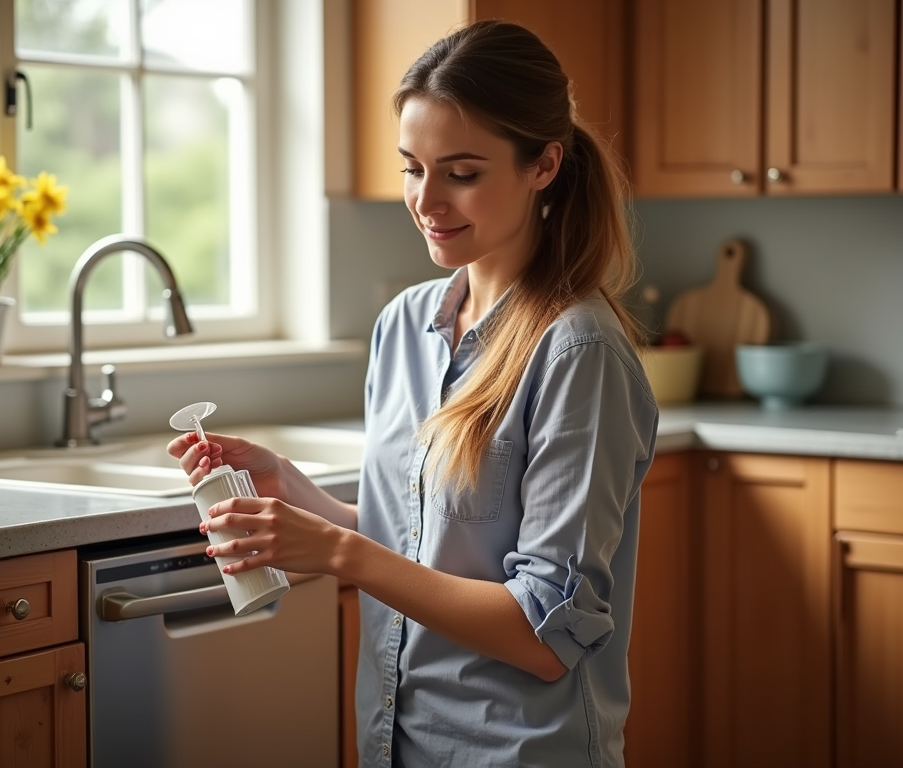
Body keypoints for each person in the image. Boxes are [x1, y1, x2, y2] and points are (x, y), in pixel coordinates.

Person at [168, 19, 658, 768]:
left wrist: (336, 551)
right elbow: (438, 542)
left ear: (544, 166)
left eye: (461, 172)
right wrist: (298, 496)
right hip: (398, 740)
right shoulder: (405, 326)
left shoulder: (579, 351)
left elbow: (546, 632)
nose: (427, 200)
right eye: (412, 168)